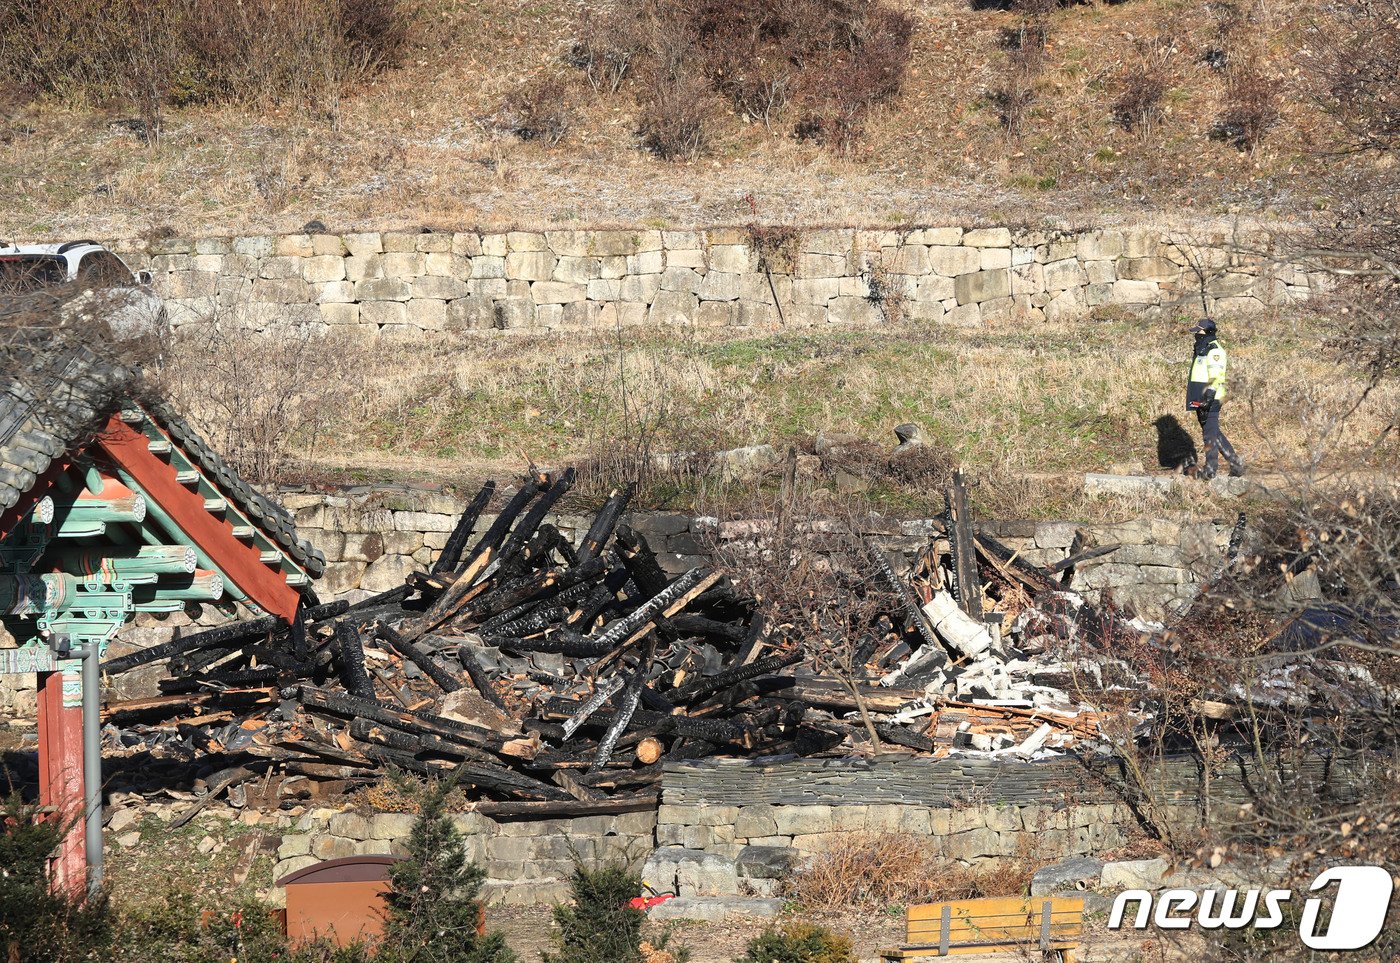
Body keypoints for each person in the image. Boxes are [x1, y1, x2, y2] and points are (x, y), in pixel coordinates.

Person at [1186, 318, 1245, 480]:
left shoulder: (1215, 351)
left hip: (1211, 399)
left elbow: (1217, 377)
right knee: (1213, 432)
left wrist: (1208, 399)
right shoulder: (1203, 349)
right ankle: (1235, 463)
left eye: (1200, 331)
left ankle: (1210, 469)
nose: (1196, 334)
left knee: (1209, 435)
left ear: (1208, 332)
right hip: (1201, 398)